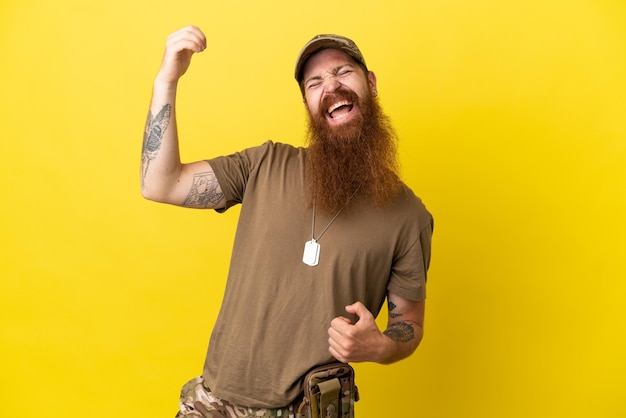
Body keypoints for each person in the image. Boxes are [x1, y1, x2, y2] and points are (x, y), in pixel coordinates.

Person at [141, 25, 433, 417]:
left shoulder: (408, 215)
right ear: (310, 106)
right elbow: (160, 183)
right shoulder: (265, 165)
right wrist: (167, 80)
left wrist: (382, 346)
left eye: (343, 72)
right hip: (215, 403)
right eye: (315, 83)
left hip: (312, 409)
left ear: (371, 83)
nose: (331, 86)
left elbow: (409, 324)